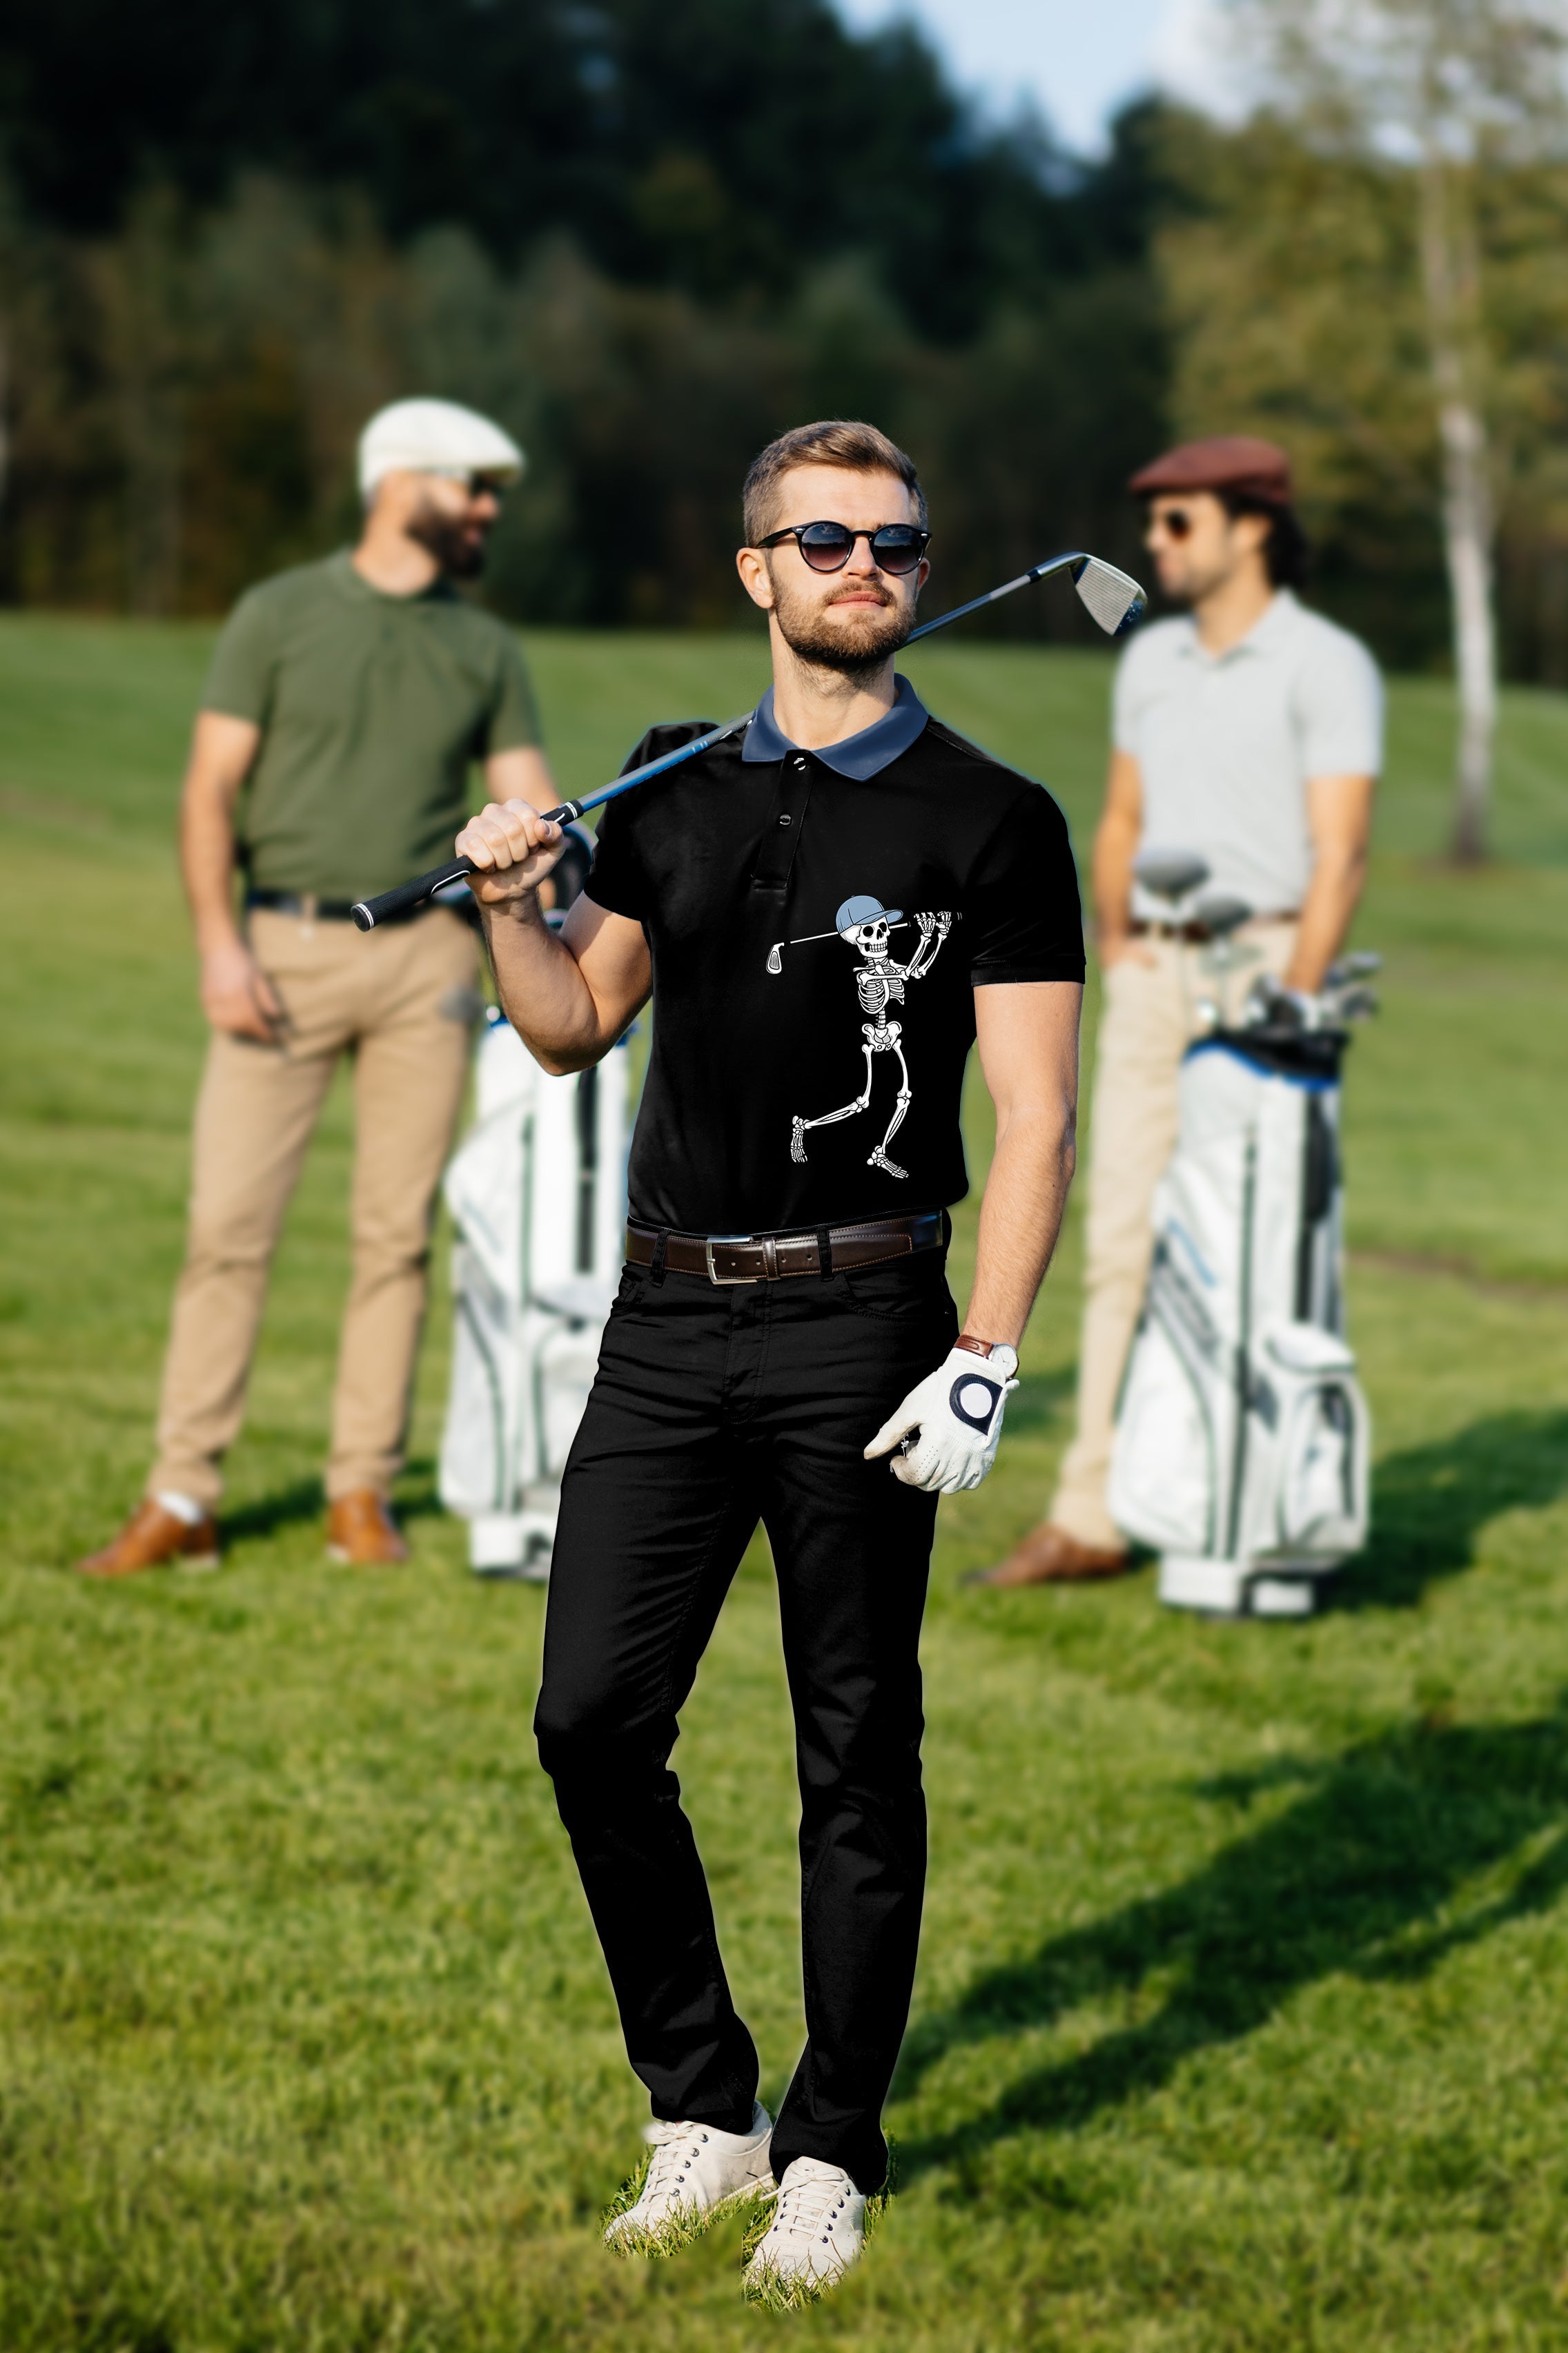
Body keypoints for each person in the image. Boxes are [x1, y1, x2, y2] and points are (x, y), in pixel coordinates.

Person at [453, 419, 1084, 2301]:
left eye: (893, 540)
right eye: (823, 540)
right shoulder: (671, 781)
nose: (863, 565)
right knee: (587, 1719)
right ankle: (703, 2106)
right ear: (760, 575)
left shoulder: (995, 818)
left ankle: (829, 2148)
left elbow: (1040, 1115)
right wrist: (509, 899)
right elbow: (570, 1027)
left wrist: (987, 1353)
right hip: (666, 1317)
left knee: (853, 1747)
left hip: (866, 1318)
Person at [77, 398, 557, 1577]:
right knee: (226, 1230)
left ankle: (360, 1496)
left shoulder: (484, 645)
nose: (489, 508)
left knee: (394, 1237)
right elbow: (208, 792)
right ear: (400, 484)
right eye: (472, 486)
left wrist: (557, 871)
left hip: (430, 966)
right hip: (278, 949)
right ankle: (183, 1494)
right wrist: (217, 947)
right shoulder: (277, 614)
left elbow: (534, 800)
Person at [976, 433, 1382, 1589]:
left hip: (1266, 972)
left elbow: (1341, 855)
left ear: (1254, 524)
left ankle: (1247, 1508)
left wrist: (1294, 1004)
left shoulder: (1326, 662)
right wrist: (1122, 943)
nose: (1155, 544)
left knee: (1252, 1250)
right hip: (1154, 973)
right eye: (1151, 523)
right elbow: (1121, 819)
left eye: (1179, 522)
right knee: (1118, 1245)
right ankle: (1094, 1510)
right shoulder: (1149, 662)